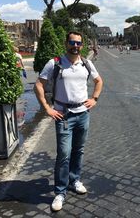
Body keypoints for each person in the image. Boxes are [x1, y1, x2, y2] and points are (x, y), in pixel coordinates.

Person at [34, 31, 103, 212]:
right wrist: (47, 108)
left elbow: (99, 81)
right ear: (66, 43)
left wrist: (94, 98)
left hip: (83, 113)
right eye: (72, 42)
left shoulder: (86, 63)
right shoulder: (55, 63)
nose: (75, 46)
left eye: (78, 43)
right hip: (63, 114)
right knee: (64, 154)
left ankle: (74, 180)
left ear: (82, 45)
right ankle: (60, 192)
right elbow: (39, 84)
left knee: (78, 151)